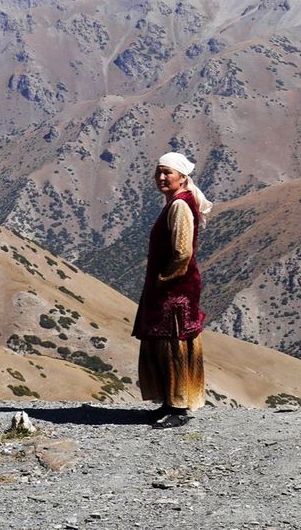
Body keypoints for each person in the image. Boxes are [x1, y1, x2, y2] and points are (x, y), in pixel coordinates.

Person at [132, 151, 212, 428]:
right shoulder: (176, 202)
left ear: (182, 177)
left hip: (175, 289)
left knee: (174, 341)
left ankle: (178, 406)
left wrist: (165, 278)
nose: (162, 178)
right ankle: (169, 400)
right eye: (159, 172)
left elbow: (181, 251)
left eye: (168, 173)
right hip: (171, 287)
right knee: (165, 342)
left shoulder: (179, 206)